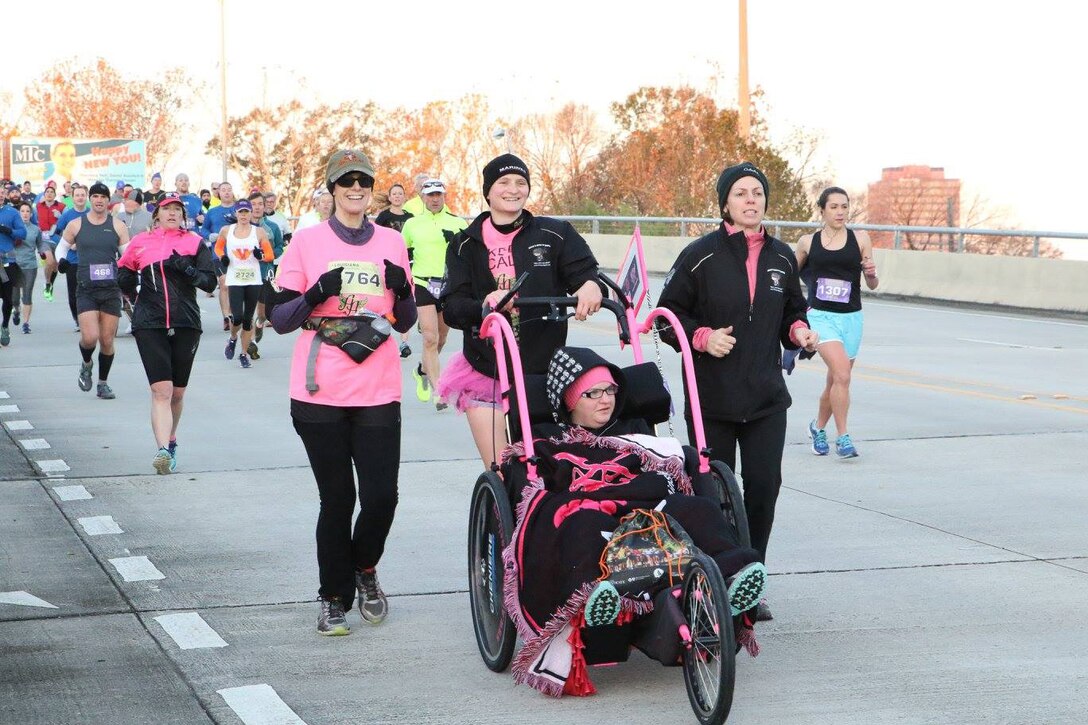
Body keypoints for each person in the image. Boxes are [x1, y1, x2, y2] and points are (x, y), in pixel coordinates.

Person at [505, 347, 767, 697]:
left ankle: (731, 576)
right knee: (577, 521)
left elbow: (676, 467)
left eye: (610, 390)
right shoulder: (548, 444)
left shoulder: (637, 433)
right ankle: (595, 597)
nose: (605, 400)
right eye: (592, 393)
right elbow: (538, 497)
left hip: (651, 507)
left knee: (698, 509)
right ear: (568, 401)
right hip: (596, 512)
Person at [657, 161, 819, 622]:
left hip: (767, 396)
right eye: (742, 193)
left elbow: (793, 310)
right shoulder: (700, 255)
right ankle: (717, 579)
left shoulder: (784, 256)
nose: (752, 200)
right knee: (716, 494)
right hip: (714, 398)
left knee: (764, 488)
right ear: (725, 203)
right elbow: (668, 316)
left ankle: (750, 579)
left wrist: (800, 331)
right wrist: (704, 337)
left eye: (758, 193)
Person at [270, 149, 417, 636]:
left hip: (376, 386)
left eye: (364, 181)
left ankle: (366, 568)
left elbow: (406, 319)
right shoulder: (307, 242)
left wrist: (404, 290)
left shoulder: (393, 242)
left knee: (381, 498)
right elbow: (279, 320)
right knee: (337, 499)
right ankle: (334, 597)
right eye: (346, 181)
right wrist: (315, 293)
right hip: (319, 391)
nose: (356, 188)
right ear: (331, 189)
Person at [440, 153, 604, 469]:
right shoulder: (464, 244)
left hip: (542, 365)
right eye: (503, 183)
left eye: (521, 182)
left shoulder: (555, 233)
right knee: (502, 470)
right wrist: (485, 305)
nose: (513, 189)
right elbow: (453, 309)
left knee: (546, 466)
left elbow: (586, 273)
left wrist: (589, 286)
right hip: (485, 366)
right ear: (488, 191)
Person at [117, 193, 219, 474]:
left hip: (186, 322)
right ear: (157, 215)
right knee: (160, 390)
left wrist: (187, 269)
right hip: (149, 322)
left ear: (183, 216)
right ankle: (163, 450)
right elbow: (123, 270)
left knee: (177, 392)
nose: (172, 213)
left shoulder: (194, 243)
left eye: (177, 210)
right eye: (167, 209)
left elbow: (210, 282)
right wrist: (127, 283)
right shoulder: (141, 242)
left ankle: (171, 440)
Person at [795, 187, 879, 459]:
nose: (840, 211)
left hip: (852, 318)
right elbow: (788, 279)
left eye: (844, 206)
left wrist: (871, 273)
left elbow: (873, 284)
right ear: (822, 210)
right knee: (843, 375)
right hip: (821, 317)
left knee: (835, 381)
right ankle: (843, 437)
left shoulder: (861, 238)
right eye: (834, 207)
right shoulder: (808, 242)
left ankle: (817, 427)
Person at [55, 182, 131, 399]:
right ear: (90, 199)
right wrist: (61, 261)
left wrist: (131, 279)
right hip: (86, 289)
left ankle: (103, 383)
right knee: (90, 338)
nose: (99, 200)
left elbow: (126, 258)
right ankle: (86, 363)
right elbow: (61, 247)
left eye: (103, 197)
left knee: (107, 340)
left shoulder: (118, 226)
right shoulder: (76, 224)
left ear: (109, 201)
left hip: (110, 290)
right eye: (95, 196)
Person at [400, 179, 467, 409]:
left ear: (444, 196)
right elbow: (399, 251)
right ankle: (439, 391)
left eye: (438, 194)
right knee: (430, 337)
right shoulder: (412, 224)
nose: (435, 199)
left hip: (448, 285)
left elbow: (466, 255)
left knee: (441, 338)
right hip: (422, 283)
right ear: (422, 197)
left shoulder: (458, 223)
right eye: (430, 195)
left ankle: (422, 370)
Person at [214, 199, 273, 369]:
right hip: (235, 279)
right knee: (237, 317)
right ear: (236, 213)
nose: (244, 215)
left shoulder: (259, 231)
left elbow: (269, 255)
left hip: (253, 279)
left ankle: (243, 354)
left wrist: (259, 255)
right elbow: (218, 248)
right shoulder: (227, 230)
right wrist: (222, 257)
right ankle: (232, 338)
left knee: (248, 319)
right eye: (241, 212)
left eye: (247, 211)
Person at [374, 183, 413, 358]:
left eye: (400, 193)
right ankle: (383, 334)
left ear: (404, 197)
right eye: (394, 194)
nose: (397, 196)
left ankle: (404, 343)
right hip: (386, 264)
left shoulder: (411, 218)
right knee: (388, 301)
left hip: (406, 262)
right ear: (389, 197)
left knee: (405, 299)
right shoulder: (383, 217)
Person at [200, 180, 238, 330]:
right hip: (219, 252)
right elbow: (203, 229)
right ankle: (226, 316)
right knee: (224, 283)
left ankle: (236, 313)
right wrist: (210, 235)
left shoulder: (239, 209)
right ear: (219, 193)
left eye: (229, 189)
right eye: (224, 190)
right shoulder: (212, 212)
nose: (227, 192)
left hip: (239, 253)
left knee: (236, 286)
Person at [52, 184, 91, 329]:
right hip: (72, 260)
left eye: (82, 195)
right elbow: (54, 234)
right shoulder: (67, 215)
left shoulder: (91, 214)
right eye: (77, 195)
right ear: (72, 198)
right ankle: (77, 319)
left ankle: (88, 318)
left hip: (89, 260)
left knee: (89, 291)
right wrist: (67, 244)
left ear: (86, 197)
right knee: (73, 292)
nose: (80, 198)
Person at [12, 202, 51, 334]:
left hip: (30, 265)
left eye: (27, 211)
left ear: (31, 214)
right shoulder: (13, 228)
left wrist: (43, 252)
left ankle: (26, 323)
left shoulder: (35, 229)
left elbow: (41, 244)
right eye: (22, 211)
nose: (25, 214)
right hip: (15, 265)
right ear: (19, 214)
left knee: (27, 295)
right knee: (14, 297)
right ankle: (16, 310)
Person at [0, 197, 28, 347]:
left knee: (7, 299)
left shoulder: (12, 213)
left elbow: (22, 233)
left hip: (6, 262)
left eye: (1, 193)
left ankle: (4, 326)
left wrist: (9, 230)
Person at [37, 181, 66, 305]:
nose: (49, 194)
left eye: (51, 192)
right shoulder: (38, 206)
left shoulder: (62, 206)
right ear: (44, 194)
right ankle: (47, 282)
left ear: (55, 195)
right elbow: (33, 219)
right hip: (44, 239)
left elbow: (67, 221)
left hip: (57, 238)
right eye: (47, 192)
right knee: (49, 262)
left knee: (56, 266)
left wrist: (60, 216)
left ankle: (50, 285)